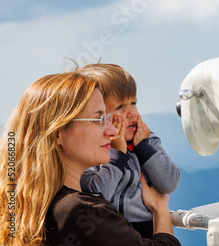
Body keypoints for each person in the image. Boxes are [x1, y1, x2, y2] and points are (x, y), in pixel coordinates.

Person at [0, 72, 181, 246]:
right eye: (98, 119)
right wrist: (161, 210)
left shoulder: (33, 205)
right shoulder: (80, 212)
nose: (111, 131)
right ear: (57, 133)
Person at [77, 63, 181, 238]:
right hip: (110, 232)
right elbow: (98, 196)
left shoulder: (146, 141)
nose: (131, 112)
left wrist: (143, 147)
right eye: (120, 107)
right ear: (100, 116)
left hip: (150, 229)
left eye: (133, 103)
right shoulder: (94, 150)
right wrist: (118, 154)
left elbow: (170, 183)